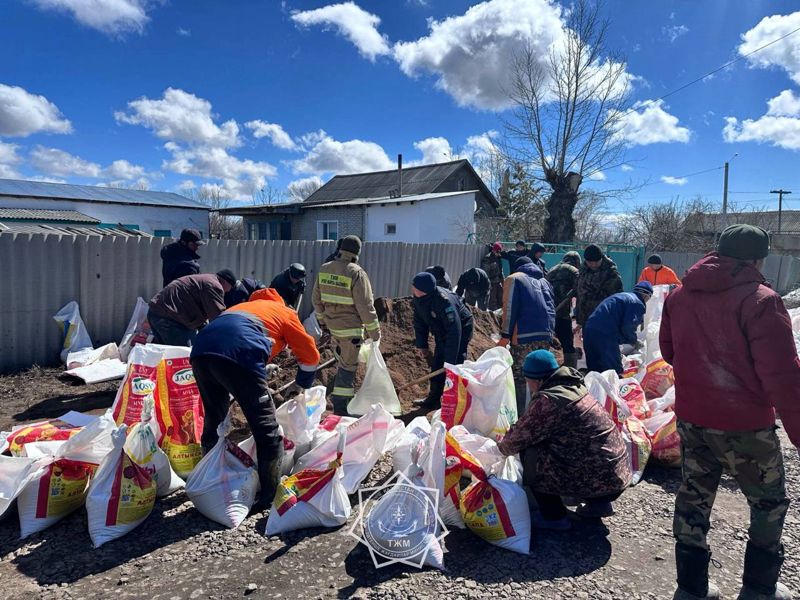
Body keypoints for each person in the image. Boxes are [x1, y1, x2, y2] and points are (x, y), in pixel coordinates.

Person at [660, 224, 800, 600]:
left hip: (693, 419)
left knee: (693, 497)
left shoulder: (678, 296)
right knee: (768, 503)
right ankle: (758, 590)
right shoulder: (762, 300)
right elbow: (783, 379)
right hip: (745, 425)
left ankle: (690, 590)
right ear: (758, 258)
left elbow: (670, 352)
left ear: (718, 252)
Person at [190, 289, 320, 511]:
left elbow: (232, 337)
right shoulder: (284, 311)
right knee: (267, 431)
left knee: (215, 418)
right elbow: (310, 353)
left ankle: (208, 479)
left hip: (201, 351)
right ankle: (269, 496)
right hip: (239, 352)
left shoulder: (241, 308)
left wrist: (260, 365)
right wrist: (302, 383)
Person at [498, 350, 631, 530]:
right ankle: (598, 505)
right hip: (617, 476)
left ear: (536, 380)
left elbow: (513, 442)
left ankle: (554, 517)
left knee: (530, 451)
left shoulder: (549, 400)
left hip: (597, 480)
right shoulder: (575, 387)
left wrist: (499, 444)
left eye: (528, 381)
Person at [312, 235, 380, 415]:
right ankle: (342, 409)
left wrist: (323, 322)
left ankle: (337, 397)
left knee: (342, 361)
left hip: (334, 328)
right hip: (351, 331)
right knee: (348, 367)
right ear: (357, 252)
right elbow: (365, 306)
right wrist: (375, 333)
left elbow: (316, 300)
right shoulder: (356, 273)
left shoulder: (325, 268)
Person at [497, 256, 557, 411]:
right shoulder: (545, 282)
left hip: (524, 336)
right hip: (544, 336)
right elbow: (551, 310)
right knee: (542, 376)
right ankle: (541, 412)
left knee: (520, 376)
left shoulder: (515, 279)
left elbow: (510, 308)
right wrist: (550, 334)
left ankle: (519, 416)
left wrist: (505, 335)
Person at [411, 272, 474, 409]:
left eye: (414, 287)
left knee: (454, 365)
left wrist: (450, 361)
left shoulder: (444, 302)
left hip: (461, 329)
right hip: (441, 330)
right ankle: (434, 399)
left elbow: (455, 332)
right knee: (438, 363)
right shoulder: (417, 299)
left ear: (423, 290)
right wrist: (422, 345)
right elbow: (419, 322)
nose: (412, 289)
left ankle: (454, 401)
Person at [582, 281, 653, 374]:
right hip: (606, 333)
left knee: (594, 368)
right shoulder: (637, 303)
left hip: (589, 329)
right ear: (646, 296)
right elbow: (628, 326)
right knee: (613, 370)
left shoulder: (621, 296)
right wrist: (633, 341)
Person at [147, 273, 231, 346]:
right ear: (227, 282)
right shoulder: (215, 286)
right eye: (229, 289)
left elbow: (195, 304)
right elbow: (218, 317)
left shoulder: (204, 280)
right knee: (184, 356)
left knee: (163, 355)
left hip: (156, 312)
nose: (226, 293)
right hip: (170, 318)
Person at [574, 244, 624, 328]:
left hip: (603, 319)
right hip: (586, 320)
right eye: (590, 262)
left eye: (596, 262)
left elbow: (617, 297)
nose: (593, 265)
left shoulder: (611, 273)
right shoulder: (583, 271)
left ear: (601, 259)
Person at [546, 251, 581, 368]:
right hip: (562, 314)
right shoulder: (574, 271)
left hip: (548, 314)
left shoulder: (552, 270)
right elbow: (581, 292)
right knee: (567, 345)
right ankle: (569, 372)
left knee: (550, 344)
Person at [481, 242, 505, 311]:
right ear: (493, 250)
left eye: (500, 251)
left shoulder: (499, 258)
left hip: (498, 282)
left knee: (501, 299)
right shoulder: (487, 259)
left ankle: (500, 313)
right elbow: (485, 273)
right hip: (491, 282)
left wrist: (503, 281)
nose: (498, 253)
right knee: (492, 301)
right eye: (497, 251)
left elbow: (501, 270)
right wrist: (488, 284)